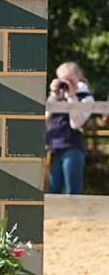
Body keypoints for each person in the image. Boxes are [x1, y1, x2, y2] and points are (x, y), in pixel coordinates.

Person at [46, 61, 95, 195]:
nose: (66, 84)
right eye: (63, 80)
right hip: (54, 149)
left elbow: (76, 124)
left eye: (70, 80)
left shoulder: (86, 98)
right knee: (53, 191)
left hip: (72, 148)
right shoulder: (57, 97)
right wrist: (54, 95)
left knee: (72, 192)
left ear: (78, 77)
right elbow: (44, 120)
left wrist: (72, 97)